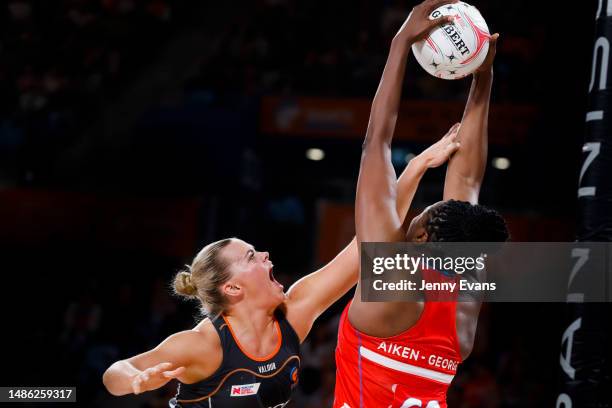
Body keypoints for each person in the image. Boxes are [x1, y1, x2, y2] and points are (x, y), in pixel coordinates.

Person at [101, 128, 462, 405]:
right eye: (250, 257)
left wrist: (416, 167)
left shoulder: (295, 314)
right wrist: (137, 380)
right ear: (233, 288)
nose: (265, 256)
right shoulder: (203, 346)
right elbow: (115, 374)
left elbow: (365, 246)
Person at [333, 1, 508, 407]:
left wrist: (399, 45)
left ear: (422, 235)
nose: (416, 212)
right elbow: (466, 181)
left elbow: (375, 144)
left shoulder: (392, 286)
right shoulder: (462, 307)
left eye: (422, 213)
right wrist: (481, 77)